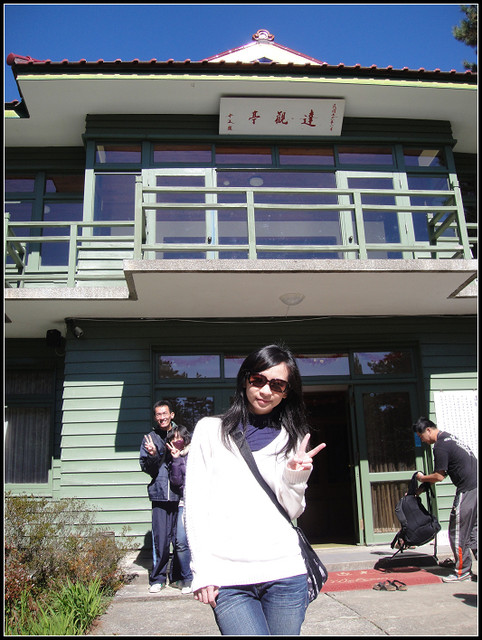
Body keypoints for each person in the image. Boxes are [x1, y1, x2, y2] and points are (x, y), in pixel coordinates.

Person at [184, 344, 326, 636]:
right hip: (229, 577)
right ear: (245, 379)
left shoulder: (292, 438)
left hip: (285, 571)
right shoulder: (210, 431)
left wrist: (296, 475)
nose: (265, 391)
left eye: (277, 385)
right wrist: (202, 570)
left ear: (286, 392)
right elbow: (195, 505)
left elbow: (294, 510)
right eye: (258, 380)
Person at [413, 416, 477, 582]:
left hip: (468, 490)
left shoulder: (440, 446)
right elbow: (447, 470)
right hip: (476, 487)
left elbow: (439, 476)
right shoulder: (450, 438)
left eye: (421, 436)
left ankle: (462, 572)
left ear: (428, 430)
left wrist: (422, 478)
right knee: (473, 532)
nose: (422, 440)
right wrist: (422, 488)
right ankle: (465, 569)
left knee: (457, 532)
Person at [139, 400, 180, 593]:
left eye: (165, 413)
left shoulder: (182, 434)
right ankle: (158, 579)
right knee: (161, 541)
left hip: (180, 495)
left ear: (172, 415)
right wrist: (153, 455)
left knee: (180, 541)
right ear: (155, 417)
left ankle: (179, 577)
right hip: (160, 495)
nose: (162, 417)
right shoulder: (150, 438)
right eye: (158, 414)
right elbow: (148, 469)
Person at [166, 424, 193, 594]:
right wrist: (176, 459)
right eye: (173, 438)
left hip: (201, 503)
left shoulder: (196, 452)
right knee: (181, 542)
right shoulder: (175, 457)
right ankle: (188, 579)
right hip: (184, 502)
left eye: (179, 437)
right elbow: (176, 482)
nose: (176, 441)